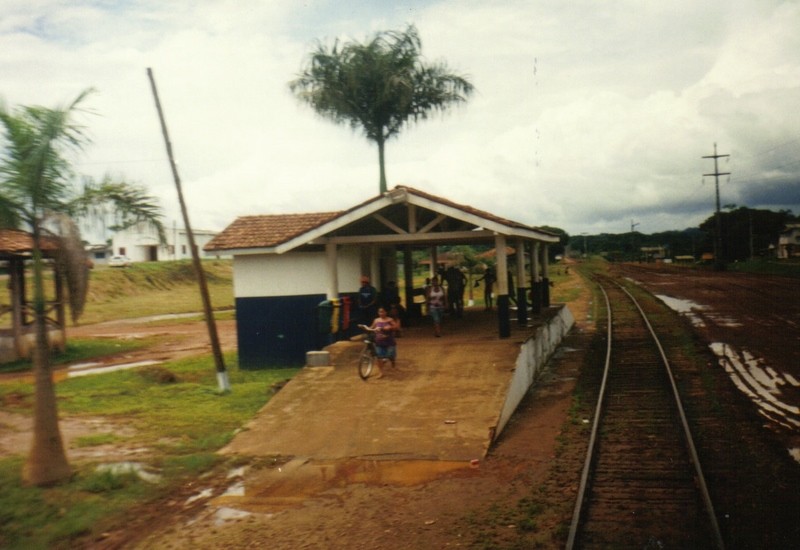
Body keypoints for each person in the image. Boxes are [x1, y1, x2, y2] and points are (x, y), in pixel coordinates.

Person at [369, 306, 397, 377]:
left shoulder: (390, 320)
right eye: (379, 312)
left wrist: (389, 327)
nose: (381, 313)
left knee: (390, 355)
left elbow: (396, 327)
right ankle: (381, 372)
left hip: (389, 341)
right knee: (379, 357)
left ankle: (392, 362)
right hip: (379, 341)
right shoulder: (376, 320)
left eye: (382, 312)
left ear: (386, 312)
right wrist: (366, 328)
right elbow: (371, 327)